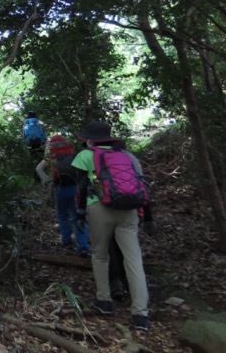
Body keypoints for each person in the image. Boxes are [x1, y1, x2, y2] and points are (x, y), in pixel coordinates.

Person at [71, 120, 150, 332]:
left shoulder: (85, 155)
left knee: (99, 255)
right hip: (129, 210)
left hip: (99, 208)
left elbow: (81, 186)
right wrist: (147, 216)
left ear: (90, 139)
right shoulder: (128, 156)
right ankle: (140, 314)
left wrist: (79, 214)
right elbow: (142, 184)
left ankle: (104, 301)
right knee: (134, 259)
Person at [35, 134, 89, 255]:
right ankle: (83, 245)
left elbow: (38, 168)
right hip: (76, 189)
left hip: (59, 189)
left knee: (62, 214)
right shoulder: (74, 153)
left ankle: (66, 241)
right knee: (78, 216)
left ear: (52, 144)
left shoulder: (52, 156)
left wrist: (47, 181)